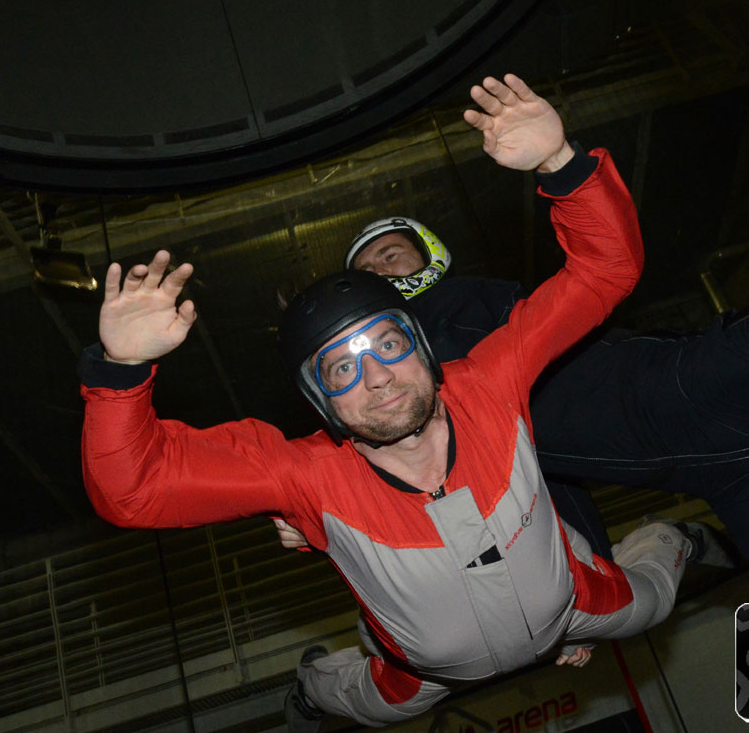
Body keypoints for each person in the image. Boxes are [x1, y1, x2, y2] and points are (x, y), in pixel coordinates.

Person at [79, 74, 712, 729]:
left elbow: (603, 272)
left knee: (652, 601)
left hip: (570, 604)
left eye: (386, 344)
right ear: (319, 401)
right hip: (418, 672)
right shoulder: (304, 474)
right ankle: (309, 684)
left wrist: (561, 163)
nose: (376, 377)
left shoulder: (490, 379)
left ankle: (679, 537)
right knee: (357, 703)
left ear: (421, 346)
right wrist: (121, 368)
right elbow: (132, 490)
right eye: (342, 369)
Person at [272, 83, 749, 604]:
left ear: (428, 256)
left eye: (391, 257)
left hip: (692, 386)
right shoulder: (399, 396)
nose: (379, 275)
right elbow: (537, 482)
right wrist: (588, 577)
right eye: (363, 274)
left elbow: (595, 271)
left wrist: (559, 160)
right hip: (723, 468)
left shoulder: (477, 306)